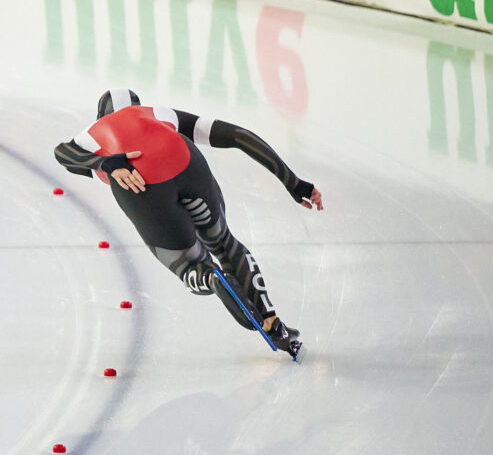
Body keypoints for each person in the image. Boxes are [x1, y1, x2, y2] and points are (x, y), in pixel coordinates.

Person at [54, 88, 322, 359]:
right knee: (223, 242)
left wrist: (106, 163)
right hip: (183, 159)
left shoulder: (94, 133)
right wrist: (293, 182)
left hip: (140, 185)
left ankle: (210, 278)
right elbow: (239, 136)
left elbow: (63, 154)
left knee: (187, 263)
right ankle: (272, 321)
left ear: (100, 116)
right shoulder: (158, 114)